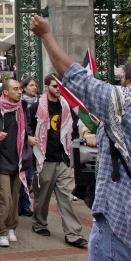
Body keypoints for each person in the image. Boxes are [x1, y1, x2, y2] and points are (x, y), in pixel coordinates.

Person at [31, 15, 131, 261]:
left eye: (122, 78)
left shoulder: (127, 102)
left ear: (130, 81)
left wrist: (46, 34)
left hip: (122, 227)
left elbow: (74, 76)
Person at [27, 73, 87, 248]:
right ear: (46, 87)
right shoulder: (36, 107)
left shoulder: (67, 107)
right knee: (42, 196)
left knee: (66, 197)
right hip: (44, 158)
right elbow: (28, 129)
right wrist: (29, 138)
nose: (58, 90)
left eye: (60, 87)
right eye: (54, 86)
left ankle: (73, 233)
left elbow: (74, 129)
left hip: (64, 158)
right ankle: (39, 223)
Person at [0, 79, 34, 248]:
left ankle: (11, 227)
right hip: (1, 159)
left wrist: (29, 137)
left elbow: (28, 128)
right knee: (4, 199)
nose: (19, 92)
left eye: (20, 89)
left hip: (18, 159)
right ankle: (1, 230)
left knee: (15, 198)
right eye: (15, 89)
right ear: (6, 92)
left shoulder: (23, 107)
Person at [18, 77, 38, 217]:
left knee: (30, 176)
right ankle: (23, 204)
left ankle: (25, 202)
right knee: (24, 174)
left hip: (38, 143)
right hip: (24, 144)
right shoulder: (20, 104)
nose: (34, 88)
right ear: (24, 88)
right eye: (31, 85)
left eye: (35, 85)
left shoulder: (41, 102)